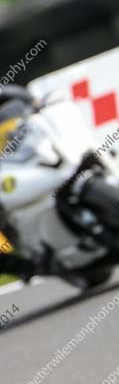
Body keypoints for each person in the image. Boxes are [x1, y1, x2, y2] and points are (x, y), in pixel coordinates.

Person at [0, 85, 38, 280]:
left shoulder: (8, 102)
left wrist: (34, 103)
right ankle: (21, 265)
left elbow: (13, 94)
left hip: (23, 153)